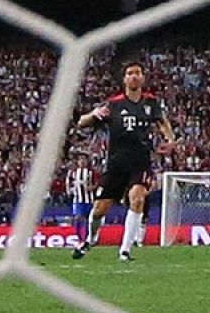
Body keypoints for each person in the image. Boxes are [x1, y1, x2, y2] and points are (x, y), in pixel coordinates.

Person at [71, 63, 175, 261]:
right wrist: (93, 114)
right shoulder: (114, 104)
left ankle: (125, 251)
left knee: (137, 198)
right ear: (124, 79)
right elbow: (81, 122)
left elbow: (161, 122)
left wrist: (170, 140)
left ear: (143, 78)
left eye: (137, 73)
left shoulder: (150, 102)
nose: (134, 77)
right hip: (116, 164)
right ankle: (90, 239)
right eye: (130, 73)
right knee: (100, 208)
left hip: (140, 162)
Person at [63, 153, 96, 246]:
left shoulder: (91, 172)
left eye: (84, 159)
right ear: (77, 162)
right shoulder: (73, 172)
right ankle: (79, 238)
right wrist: (70, 191)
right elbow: (67, 182)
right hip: (78, 200)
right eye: (80, 159)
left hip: (89, 200)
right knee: (78, 218)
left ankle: (87, 239)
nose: (82, 161)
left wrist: (92, 188)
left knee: (89, 220)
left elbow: (97, 183)